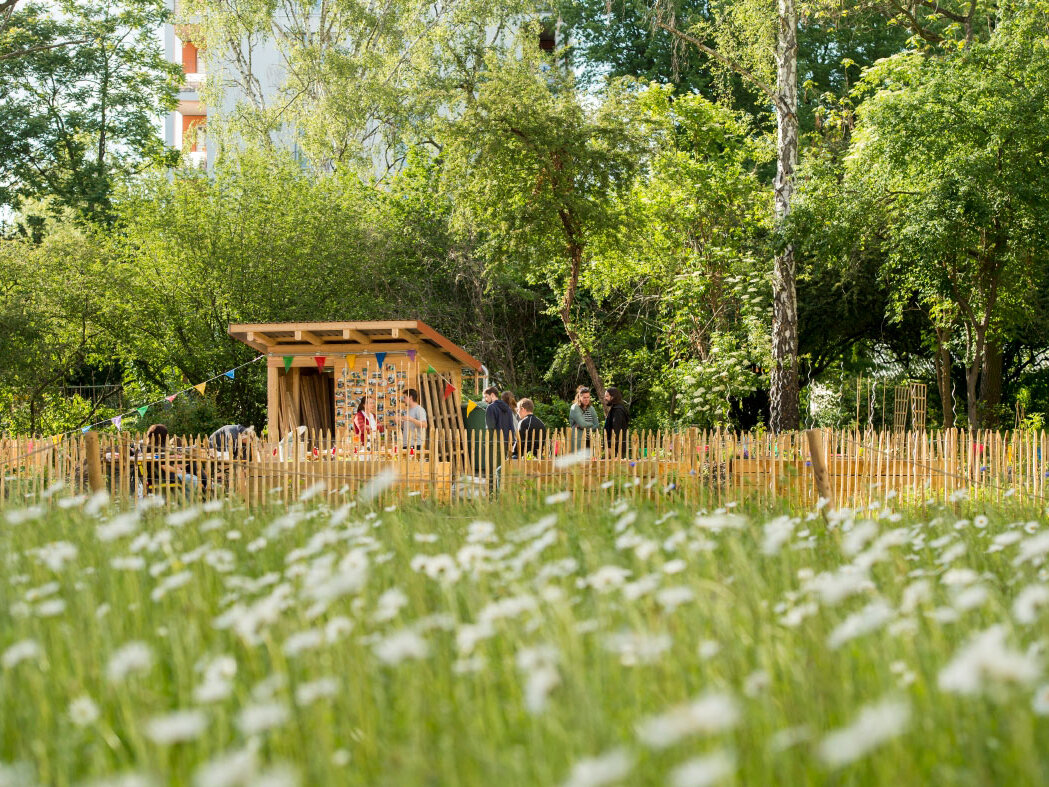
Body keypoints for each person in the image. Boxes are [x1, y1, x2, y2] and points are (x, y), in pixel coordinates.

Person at [483, 386, 515, 457]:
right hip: (506, 443)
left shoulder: (491, 407)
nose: (485, 400)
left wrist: (487, 442)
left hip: (494, 444)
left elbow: (490, 427)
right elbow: (511, 426)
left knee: (494, 466)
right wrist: (512, 441)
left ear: (492, 395)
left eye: (486, 397)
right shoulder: (508, 409)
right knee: (503, 466)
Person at [569, 385, 601, 452]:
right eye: (584, 397)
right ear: (580, 397)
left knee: (588, 461)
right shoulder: (575, 408)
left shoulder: (591, 408)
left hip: (589, 439)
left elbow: (597, 426)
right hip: (578, 440)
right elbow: (582, 424)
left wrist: (583, 427)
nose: (586, 399)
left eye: (588, 397)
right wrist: (591, 424)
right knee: (578, 461)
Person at [604, 386, 630, 457]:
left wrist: (610, 446)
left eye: (607, 396)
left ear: (613, 397)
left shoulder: (618, 410)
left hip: (616, 448)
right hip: (614, 447)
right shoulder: (615, 408)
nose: (605, 398)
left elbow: (616, 430)